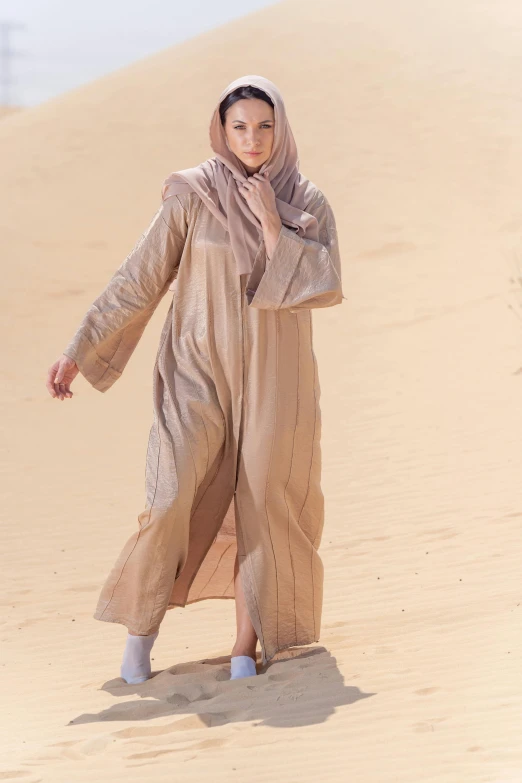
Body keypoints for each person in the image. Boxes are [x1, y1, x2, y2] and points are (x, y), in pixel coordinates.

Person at [46, 74, 345, 684]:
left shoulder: (306, 201)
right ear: (222, 129)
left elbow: (321, 284)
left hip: (275, 375)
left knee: (265, 496)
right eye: (240, 126)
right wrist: (81, 347)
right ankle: (139, 637)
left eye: (265, 126)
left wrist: (270, 222)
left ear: (281, 128)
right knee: (170, 493)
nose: (253, 139)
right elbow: (141, 276)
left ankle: (244, 646)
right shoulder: (191, 194)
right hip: (196, 368)